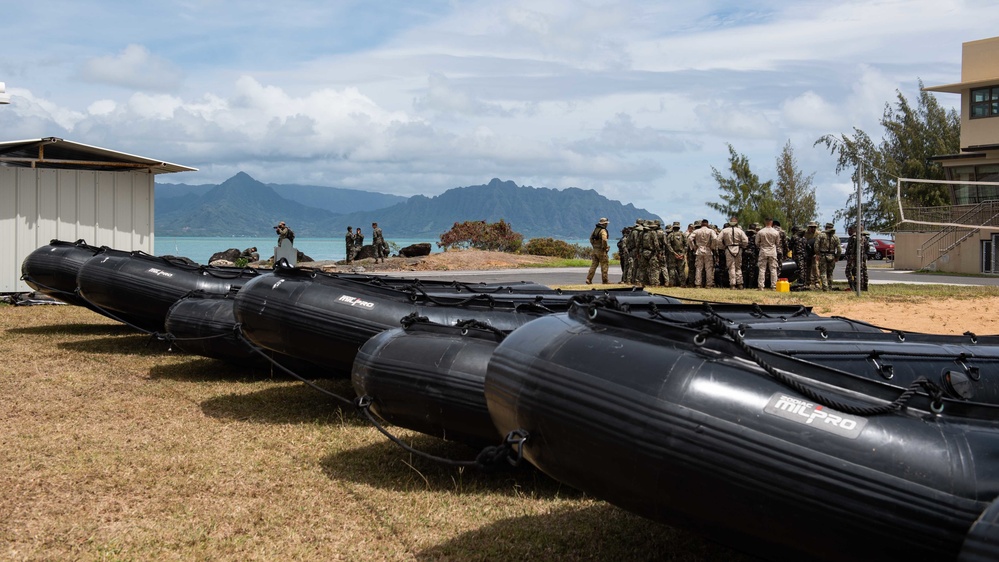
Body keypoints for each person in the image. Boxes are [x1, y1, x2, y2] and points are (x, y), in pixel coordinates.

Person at [719, 217, 749, 289]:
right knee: (738, 267)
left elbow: (718, 240)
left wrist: (723, 247)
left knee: (731, 267)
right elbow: (746, 240)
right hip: (738, 248)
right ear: (737, 222)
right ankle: (740, 284)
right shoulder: (740, 231)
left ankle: (732, 284)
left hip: (728, 248)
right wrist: (742, 246)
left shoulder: (724, 231)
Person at [691, 219, 717, 288]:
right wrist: (712, 246)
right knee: (708, 268)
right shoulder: (711, 231)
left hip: (699, 250)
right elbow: (715, 238)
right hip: (708, 250)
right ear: (707, 224)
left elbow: (689, 239)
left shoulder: (696, 231)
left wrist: (693, 247)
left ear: (701, 224)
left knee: (699, 268)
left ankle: (698, 284)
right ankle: (709, 284)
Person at [755, 218, 780, 290]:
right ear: (771, 222)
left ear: (765, 222)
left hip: (763, 251)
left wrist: (762, 245)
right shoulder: (775, 232)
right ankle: (774, 286)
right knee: (773, 269)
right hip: (772, 251)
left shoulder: (760, 232)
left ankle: (761, 286)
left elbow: (757, 242)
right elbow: (777, 243)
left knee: (762, 269)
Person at [815, 222, 841, 291]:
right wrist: (837, 256)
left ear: (826, 227)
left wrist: (817, 254)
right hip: (832, 256)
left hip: (823, 256)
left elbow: (816, 246)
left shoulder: (821, 235)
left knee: (823, 272)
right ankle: (830, 287)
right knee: (830, 273)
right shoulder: (836, 237)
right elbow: (839, 249)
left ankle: (825, 287)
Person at [586, 217, 610, 284]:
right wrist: (605, 248)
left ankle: (589, 279)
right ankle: (605, 281)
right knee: (604, 266)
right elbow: (604, 240)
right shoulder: (603, 231)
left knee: (593, 265)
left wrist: (594, 246)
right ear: (604, 224)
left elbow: (591, 239)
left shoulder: (595, 230)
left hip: (594, 250)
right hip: (601, 251)